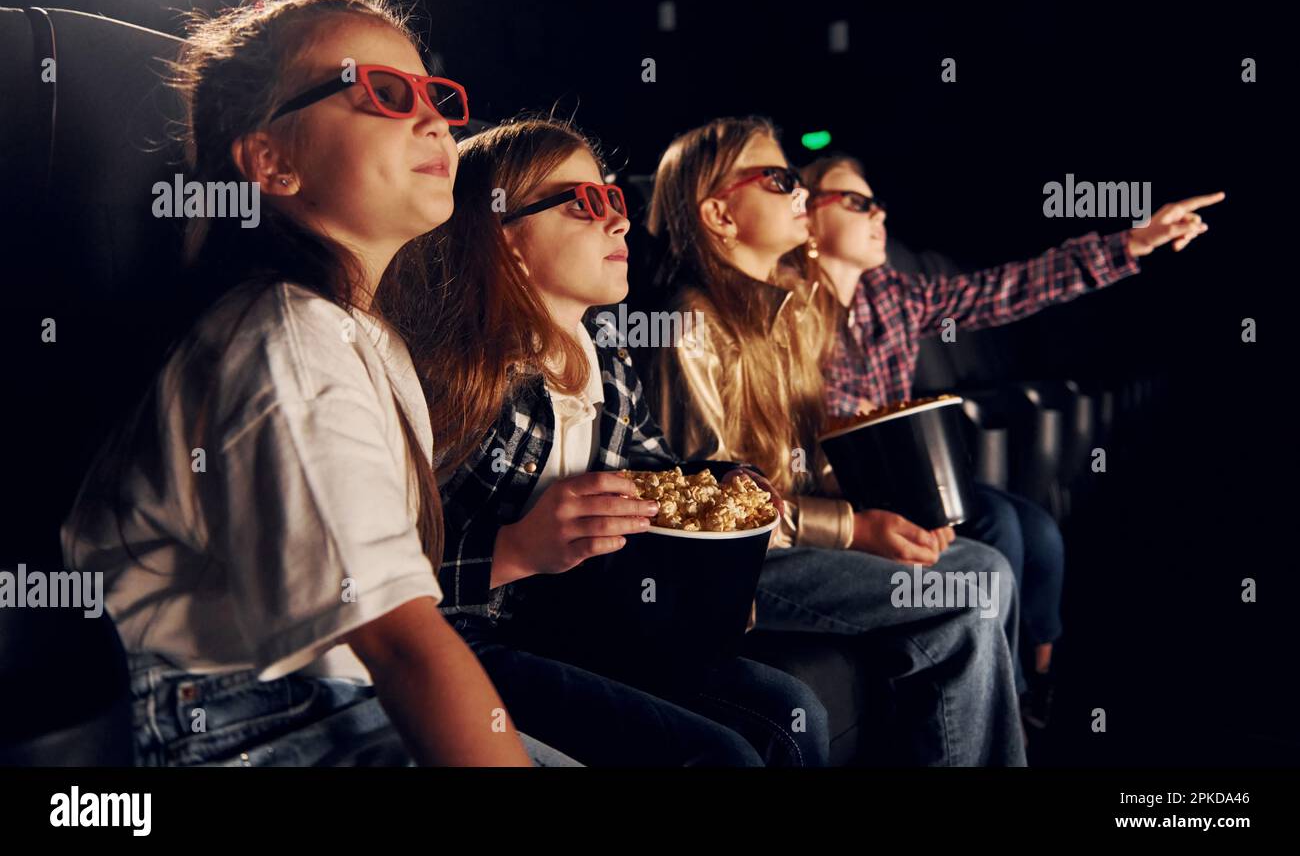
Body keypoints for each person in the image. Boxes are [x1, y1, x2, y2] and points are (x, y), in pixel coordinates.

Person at [61, 0, 562, 767]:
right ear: (272, 161)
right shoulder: (283, 341)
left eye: (435, 92)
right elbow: (399, 644)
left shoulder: (360, 336)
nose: (435, 118)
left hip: (320, 692)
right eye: (386, 92)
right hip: (221, 718)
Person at [378, 116, 830, 766]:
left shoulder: (608, 356)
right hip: (463, 634)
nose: (619, 221)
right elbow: (371, 572)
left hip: (581, 613)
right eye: (585, 204)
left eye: (614, 199)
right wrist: (511, 550)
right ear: (505, 241)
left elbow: (651, 463)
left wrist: (720, 478)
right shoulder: (451, 374)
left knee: (794, 716)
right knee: (720, 756)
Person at [645, 115, 1026, 765]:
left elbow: (811, 460)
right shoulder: (689, 324)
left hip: (787, 534)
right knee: (974, 582)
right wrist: (851, 530)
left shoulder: (788, 313)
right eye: (780, 179)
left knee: (980, 566)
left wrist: (890, 516)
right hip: (737, 567)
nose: (801, 195)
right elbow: (709, 510)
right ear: (719, 213)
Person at [803, 151, 1222, 726]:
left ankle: (1038, 683)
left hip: (910, 484)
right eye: (857, 201)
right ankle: (1010, 699)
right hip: (843, 495)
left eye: (878, 202)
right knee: (999, 530)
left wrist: (1132, 244)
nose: (878, 214)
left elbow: (1000, 291)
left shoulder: (892, 295)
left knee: (1040, 531)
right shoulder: (785, 306)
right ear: (806, 214)